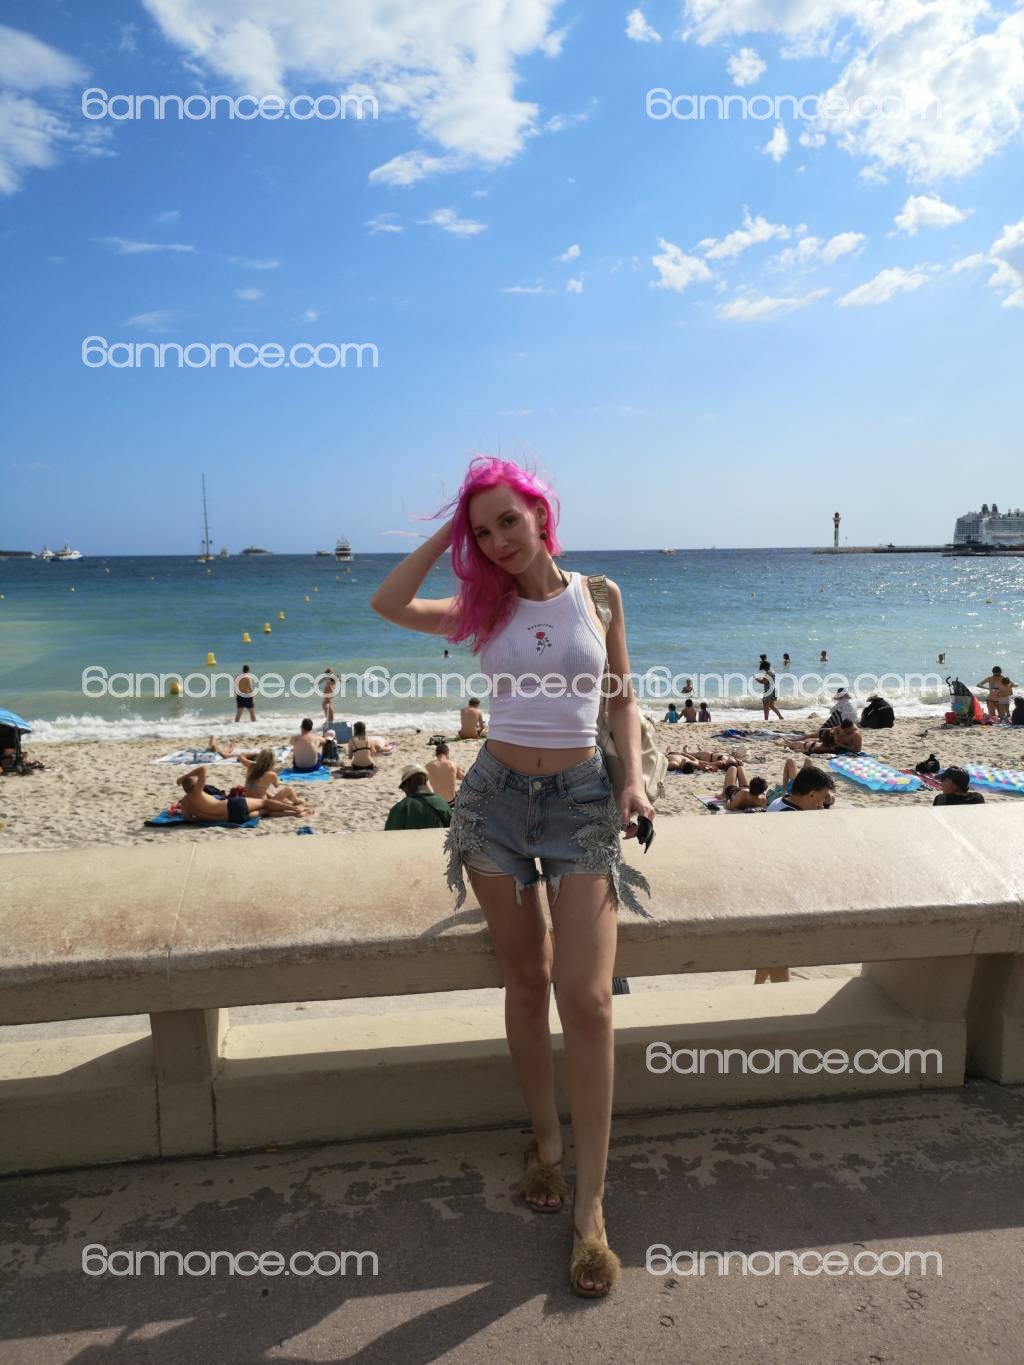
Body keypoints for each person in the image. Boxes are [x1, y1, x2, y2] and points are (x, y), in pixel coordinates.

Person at [370, 455, 654, 1297]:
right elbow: (387, 603)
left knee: (588, 999)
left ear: (539, 512)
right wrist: (446, 539)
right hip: (492, 804)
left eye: (507, 521)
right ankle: (547, 1143)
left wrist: (634, 780)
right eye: (481, 530)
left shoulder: (599, 596)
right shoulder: (480, 605)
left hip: (581, 803)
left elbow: (621, 698)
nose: (496, 541)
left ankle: (592, 1209)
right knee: (526, 981)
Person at [175, 765, 298, 822]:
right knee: (265, 802)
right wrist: (183, 777)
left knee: (266, 811)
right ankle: (295, 809)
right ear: (195, 785)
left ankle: (292, 813)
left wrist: (200, 816)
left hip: (233, 819)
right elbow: (203, 769)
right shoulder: (197, 792)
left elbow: (189, 819)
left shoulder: (185, 803)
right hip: (233, 805)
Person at [234, 748, 310, 813]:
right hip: (262, 804)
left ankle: (293, 801)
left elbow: (241, 756)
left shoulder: (250, 766)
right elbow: (276, 785)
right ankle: (297, 801)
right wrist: (278, 780)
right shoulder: (271, 774)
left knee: (262, 789)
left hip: (249, 802)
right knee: (288, 790)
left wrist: (255, 754)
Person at [384, 764, 453, 829]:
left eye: (402, 787)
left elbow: (389, 834)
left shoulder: (400, 808)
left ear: (407, 784)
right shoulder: (439, 802)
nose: (403, 790)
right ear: (425, 783)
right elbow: (453, 827)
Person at [767, 763, 835, 812]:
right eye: (824, 797)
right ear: (812, 795)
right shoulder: (792, 815)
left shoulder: (781, 800)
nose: (823, 801)